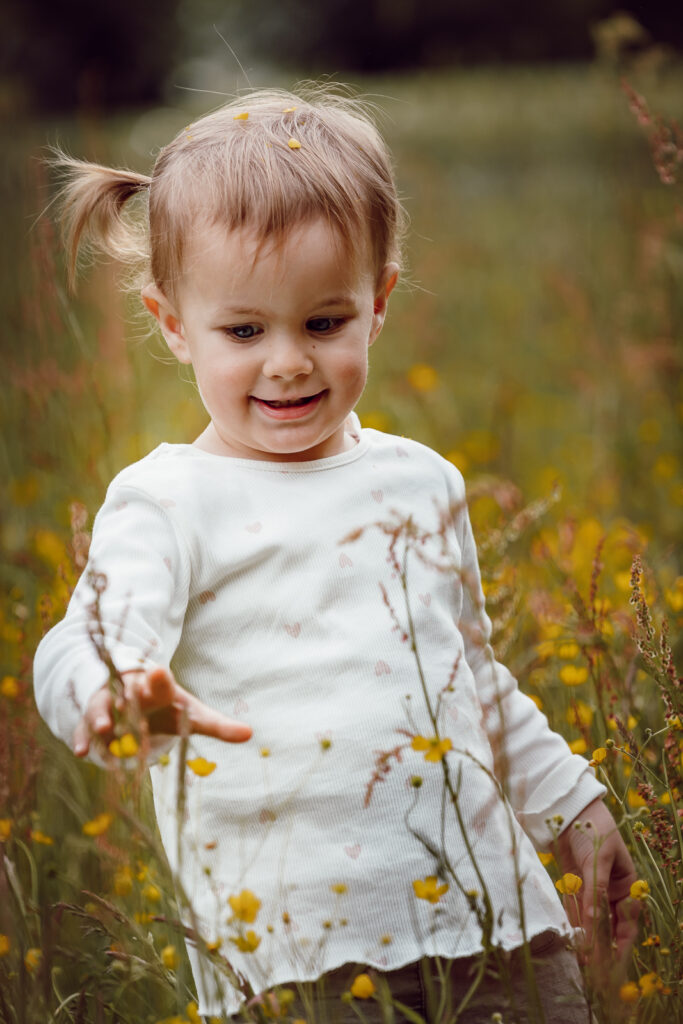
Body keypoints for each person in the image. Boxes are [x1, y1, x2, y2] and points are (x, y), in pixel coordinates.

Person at [34, 87, 637, 1023]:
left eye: (323, 323)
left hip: (494, 923)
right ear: (170, 322)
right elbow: (82, 639)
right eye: (243, 331)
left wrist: (573, 808)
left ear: (377, 302)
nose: (286, 362)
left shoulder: (421, 482)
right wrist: (114, 687)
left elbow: (469, 679)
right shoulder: (169, 501)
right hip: (291, 951)